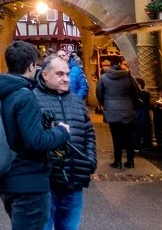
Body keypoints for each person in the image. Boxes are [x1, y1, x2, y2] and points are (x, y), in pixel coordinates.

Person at [0, 41, 71, 230]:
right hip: (28, 182)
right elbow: (35, 141)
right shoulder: (24, 96)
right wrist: (61, 131)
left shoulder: (0, 91)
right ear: (31, 66)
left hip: (7, 177)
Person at [34, 54, 96, 230]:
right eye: (60, 74)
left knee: (70, 227)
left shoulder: (76, 101)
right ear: (45, 75)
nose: (66, 79)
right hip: (47, 181)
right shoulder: (33, 100)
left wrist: (90, 160)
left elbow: (89, 132)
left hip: (74, 180)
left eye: (67, 74)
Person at [95, 57, 138, 169]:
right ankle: (130, 161)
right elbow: (136, 92)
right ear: (120, 64)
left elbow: (99, 93)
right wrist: (130, 102)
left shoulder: (104, 78)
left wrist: (105, 104)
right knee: (129, 137)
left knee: (116, 137)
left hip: (112, 110)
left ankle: (117, 161)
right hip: (127, 109)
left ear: (109, 64)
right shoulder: (128, 77)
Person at [133, 77, 152, 153]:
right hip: (143, 113)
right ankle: (144, 146)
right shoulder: (145, 94)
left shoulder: (139, 94)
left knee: (137, 130)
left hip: (138, 114)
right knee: (143, 130)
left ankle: (138, 145)